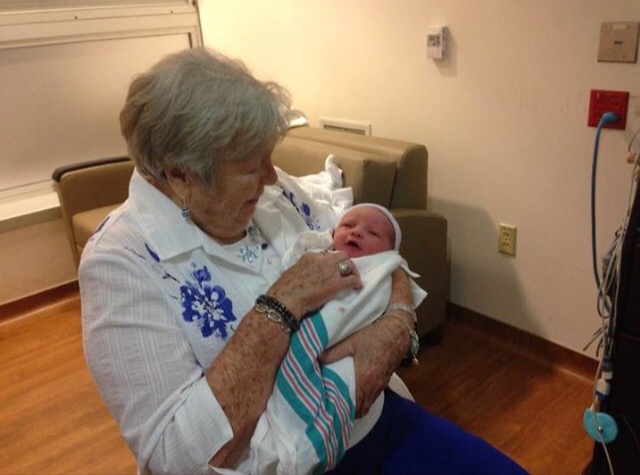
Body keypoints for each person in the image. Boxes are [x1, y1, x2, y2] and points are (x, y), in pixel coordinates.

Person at [79, 47, 528, 475]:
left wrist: (395, 325)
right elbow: (176, 459)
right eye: (251, 165)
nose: (271, 175)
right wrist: (282, 303)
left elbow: (376, 255)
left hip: (368, 422)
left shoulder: (276, 194)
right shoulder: (121, 263)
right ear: (181, 174)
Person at [256, 203, 426, 474]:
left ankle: (314, 437)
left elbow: (394, 273)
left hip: (361, 383)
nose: (356, 232)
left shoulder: (382, 268)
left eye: (372, 233)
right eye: (347, 226)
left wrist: (396, 318)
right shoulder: (320, 254)